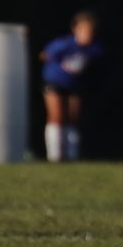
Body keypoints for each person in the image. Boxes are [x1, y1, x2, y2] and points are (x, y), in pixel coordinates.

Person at [40, 11, 102, 162]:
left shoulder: (94, 49)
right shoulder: (64, 44)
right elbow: (45, 55)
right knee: (56, 116)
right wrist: (58, 68)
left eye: (90, 30)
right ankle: (55, 156)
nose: (87, 33)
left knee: (73, 118)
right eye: (84, 29)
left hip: (74, 84)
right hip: (54, 83)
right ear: (75, 29)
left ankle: (72, 156)